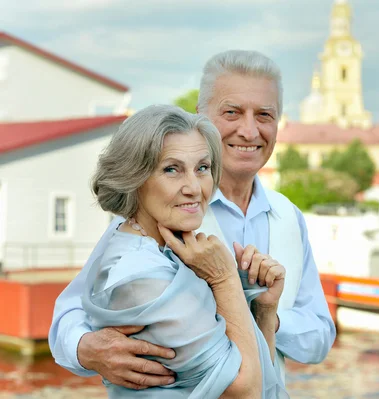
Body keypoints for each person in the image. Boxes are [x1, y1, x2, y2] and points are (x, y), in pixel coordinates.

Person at [50, 50, 336, 389]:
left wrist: (266, 318)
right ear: (200, 115)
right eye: (232, 112)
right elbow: (70, 312)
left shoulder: (288, 215)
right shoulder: (153, 213)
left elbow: (320, 334)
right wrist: (85, 349)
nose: (249, 130)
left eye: (264, 115)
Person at [80, 104, 287, 398]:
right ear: (134, 178)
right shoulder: (142, 276)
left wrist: (264, 310)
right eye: (171, 169)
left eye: (202, 168)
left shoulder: (171, 251)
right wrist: (225, 278)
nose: (194, 187)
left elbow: (264, 380)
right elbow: (246, 391)